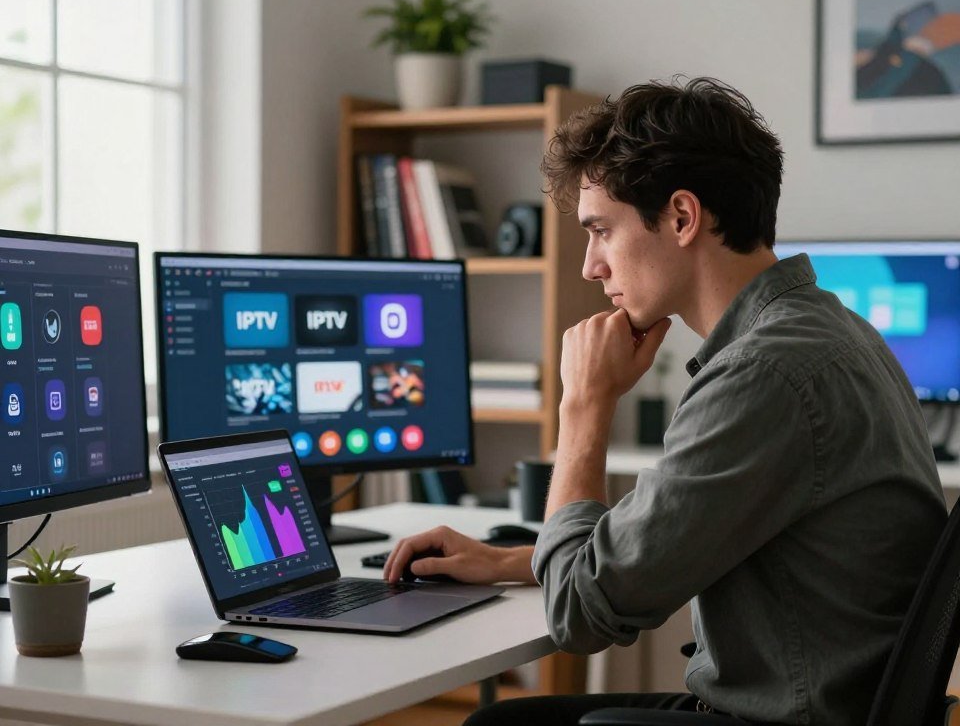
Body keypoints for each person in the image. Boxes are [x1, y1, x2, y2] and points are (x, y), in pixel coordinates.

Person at [383, 77, 946, 725]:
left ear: (682, 217)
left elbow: (578, 617)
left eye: (601, 231)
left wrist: (584, 406)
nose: (592, 266)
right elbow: (669, 540)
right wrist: (511, 561)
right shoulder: (828, 332)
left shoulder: (765, 373)